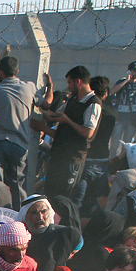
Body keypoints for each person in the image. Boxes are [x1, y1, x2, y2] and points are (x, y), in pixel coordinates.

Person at [38, 67, 102, 204]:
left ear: (78, 82)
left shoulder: (93, 104)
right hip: (58, 156)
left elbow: (88, 132)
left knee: (62, 198)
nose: (68, 86)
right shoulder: (73, 100)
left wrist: (67, 121)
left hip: (72, 159)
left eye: (69, 83)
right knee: (49, 194)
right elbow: (56, 118)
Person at [0, 56, 38, 208]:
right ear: (17, 71)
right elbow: (45, 103)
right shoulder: (29, 87)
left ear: (0, 72)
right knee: (17, 184)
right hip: (18, 144)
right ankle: (20, 216)